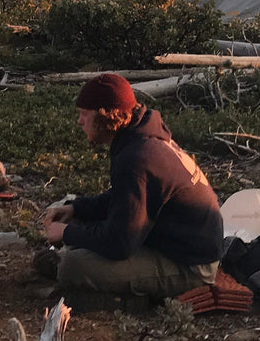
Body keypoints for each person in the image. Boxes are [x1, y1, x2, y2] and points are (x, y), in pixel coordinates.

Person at [39, 73, 225, 306]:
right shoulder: (141, 136)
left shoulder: (137, 157)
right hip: (170, 240)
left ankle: (134, 302)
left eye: (84, 115)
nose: (79, 121)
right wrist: (77, 209)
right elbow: (126, 199)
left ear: (104, 116)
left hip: (190, 264)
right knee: (78, 229)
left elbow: (119, 244)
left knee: (72, 266)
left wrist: (66, 234)